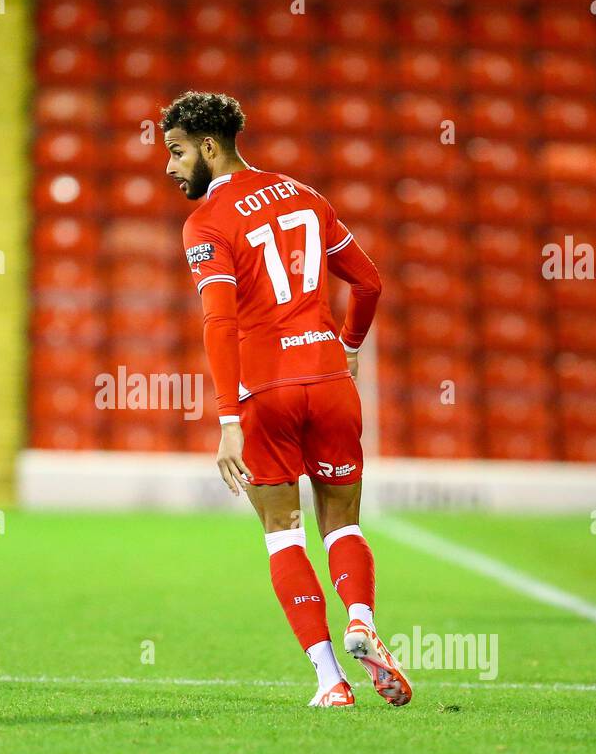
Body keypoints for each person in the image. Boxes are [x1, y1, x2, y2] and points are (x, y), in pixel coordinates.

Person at [161, 90, 411, 706]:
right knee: (343, 523)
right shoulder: (306, 195)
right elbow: (370, 281)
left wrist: (226, 421)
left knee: (283, 533)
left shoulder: (206, 223)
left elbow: (217, 324)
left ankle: (331, 681)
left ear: (209, 147)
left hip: (264, 393)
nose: (168, 167)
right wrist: (348, 343)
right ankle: (362, 620)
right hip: (330, 382)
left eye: (176, 151)